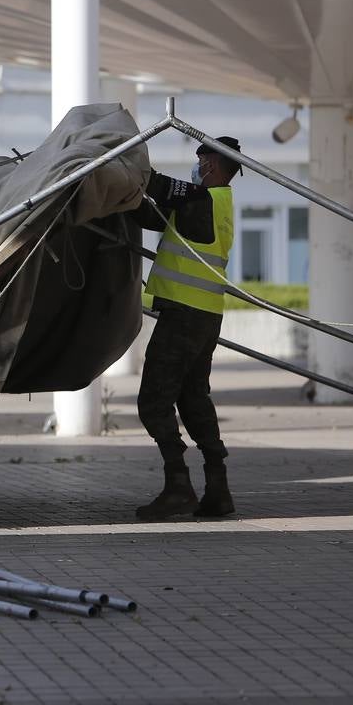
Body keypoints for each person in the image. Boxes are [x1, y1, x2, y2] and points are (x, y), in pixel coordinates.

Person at [134, 136, 242, 521]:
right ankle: (218, 487)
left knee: (153, 402)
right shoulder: (215, 204)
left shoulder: (200, 199)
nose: (196, 167)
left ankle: (178, 485)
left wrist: (113, 164)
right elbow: (150, 215)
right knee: (194, 399)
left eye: (200, 160)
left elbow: (154, 186)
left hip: (184, 316)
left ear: (210, 164)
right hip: (206, 316)